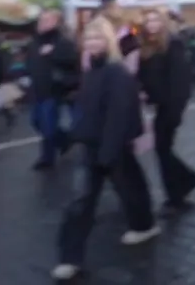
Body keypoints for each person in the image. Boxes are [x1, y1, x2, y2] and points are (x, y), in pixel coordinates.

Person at [52, 18, 159, 281]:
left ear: (108, 41)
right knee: (81, 202)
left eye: (97, 38)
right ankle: (70, 258)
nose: (91, 43)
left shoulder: (116, 73)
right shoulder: (92, 71)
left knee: (129, 188)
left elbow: (118, 115)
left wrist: (108, 151)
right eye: (88, 38)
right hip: (92, 145)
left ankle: (144, 225)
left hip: (111, 146)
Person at [136, 8, 195, 211]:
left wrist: (176, 108)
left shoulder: (173, 45)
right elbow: (145, 77)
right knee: (162, 149)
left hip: (171, 106)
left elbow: (179, 80)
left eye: (155, 20)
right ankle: (180, 187)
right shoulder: (146, 47)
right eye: (148, 20)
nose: (151, 24)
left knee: (162, 148)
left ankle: (180, 189)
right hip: (158, 105)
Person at [27, 10, 80, 170]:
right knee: (36, 122)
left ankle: (47, 158)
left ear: (57, 22)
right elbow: (31, 62)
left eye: (47, 20)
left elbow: (72, 61)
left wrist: (53, 53)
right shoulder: (35, 41)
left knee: (48, 126)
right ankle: (64, 141)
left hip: (53, 89)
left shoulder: (62, 41)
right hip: (37, 88)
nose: (42, 23)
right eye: (41, 20)